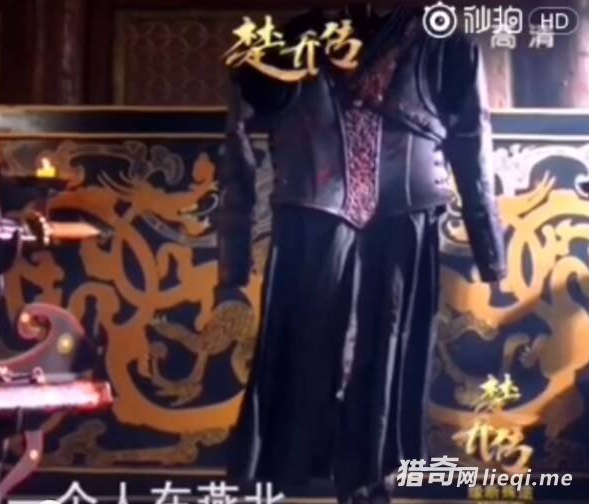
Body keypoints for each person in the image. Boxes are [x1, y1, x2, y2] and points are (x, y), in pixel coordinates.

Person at [217, 6, 506, 503]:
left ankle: (371, 479)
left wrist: (490, 249)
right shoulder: (284, 43)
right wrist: (233, 253)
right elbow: (236, 142)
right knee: (311, 347)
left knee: (388, 345)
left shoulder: (445, 46)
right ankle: (315, 475)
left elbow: (472, 142)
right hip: (312, 216)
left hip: (402, 213)